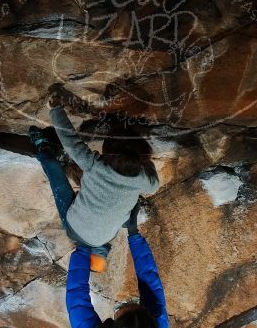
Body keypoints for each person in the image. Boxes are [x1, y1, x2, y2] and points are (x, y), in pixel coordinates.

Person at [29, 85, 159, 272]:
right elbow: (154, 184)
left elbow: (70, 140)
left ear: (108, 151)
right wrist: (144, 163)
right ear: (141, 158)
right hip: (95, 231)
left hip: (88, 228)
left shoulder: (95, 164)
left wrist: (55, 108)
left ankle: (44, 150)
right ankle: (97, 256)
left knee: (55, 173)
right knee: (96, 231)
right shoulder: (143, 180)